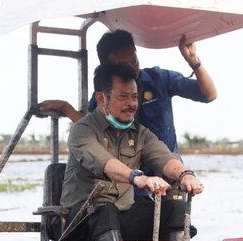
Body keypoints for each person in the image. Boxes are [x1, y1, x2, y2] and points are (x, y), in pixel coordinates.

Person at [60, 62, 204, 241]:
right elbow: (105, 163)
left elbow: (164, 157)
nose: (131, 104)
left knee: (174, 207)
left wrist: (185, 174)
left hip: (121, 217)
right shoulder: (82, 131)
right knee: (104, 210)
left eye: (135, 97)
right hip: (80, 222)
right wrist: (139, 178)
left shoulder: (140, 133)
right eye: (123, 97)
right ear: (102, 98)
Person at [41, 29, 216, 196]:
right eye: (123, 97)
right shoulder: (102, 98)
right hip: (127, 178)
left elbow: (209, 94)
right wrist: (67, 109)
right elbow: (89, 133)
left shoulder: (158, 79)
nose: (132, 69)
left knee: (176, 218)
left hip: (166, 175)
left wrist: (194, 61)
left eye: (134, 61)